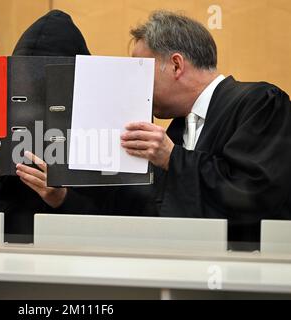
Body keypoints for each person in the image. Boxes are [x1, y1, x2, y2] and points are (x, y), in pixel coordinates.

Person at [109, 11, 291, 250]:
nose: (136, 87)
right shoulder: (176, 131)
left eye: (141, 72)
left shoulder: (260, 104)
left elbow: (252, 193)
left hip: (250, 272)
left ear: (176, 65)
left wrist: (173, 159)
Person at [0, 10, 96, 243]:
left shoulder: (100, 123)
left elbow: (124, 219)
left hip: (79, 251)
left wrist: (62, 198)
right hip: (0, 246)